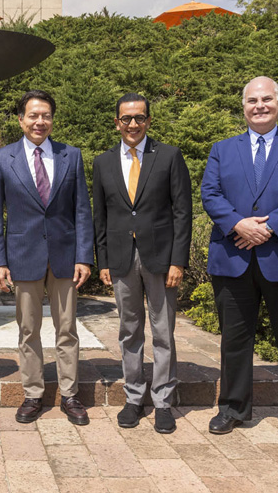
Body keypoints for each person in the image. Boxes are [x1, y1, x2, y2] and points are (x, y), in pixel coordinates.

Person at [201, 76, 278, 448]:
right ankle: (233, 409)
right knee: (235, 341)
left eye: (266, 99)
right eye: (252, 100)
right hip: (233, 257)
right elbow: (210, 193)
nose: (259, 106)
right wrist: (238, 223)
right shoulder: (222, 149)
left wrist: (268, 229)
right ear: (243, 106)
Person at [0, 89, 93, 426]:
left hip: (64, 257)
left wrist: (84, 256)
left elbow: (81, 210)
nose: (39, 121)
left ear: (52, 119)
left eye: (45, 115)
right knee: (28, 329)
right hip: (23, 255)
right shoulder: (3, 159)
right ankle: (33, 394)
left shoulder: (70, 156)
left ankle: (70, 394)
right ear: (21, 119)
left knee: (67, 329)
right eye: (33, 115)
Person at [92, 93, 192, 434]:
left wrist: (179, 260)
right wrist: (102, 259)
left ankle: (163, 400)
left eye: (139, 118)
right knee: (129, 330)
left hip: (161, 258)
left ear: (148, 120)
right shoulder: (103, 162)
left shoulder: (168, 156)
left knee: (163, 331)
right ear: (116, 122)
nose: (133, 124)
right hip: (121, 258)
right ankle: (134, 397)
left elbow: (182, 212)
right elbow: (100, 216)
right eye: (126, 119)